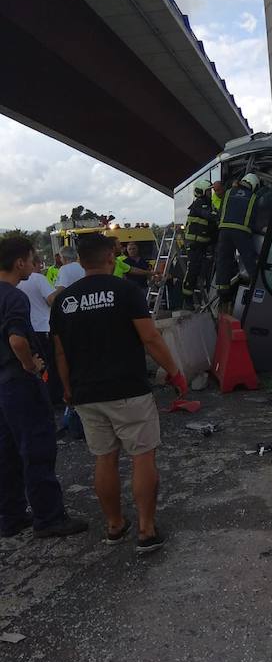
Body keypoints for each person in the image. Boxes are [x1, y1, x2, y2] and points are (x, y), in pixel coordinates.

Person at [51, 234, 188, 554]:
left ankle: (114, 525)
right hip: (128, 390)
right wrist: (175, 373)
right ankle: (146, 530)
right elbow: (151, 338)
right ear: (111, 257)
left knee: (104, 458)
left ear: (81, 262)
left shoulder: (64, 301)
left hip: (86, 393)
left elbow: (59, 353)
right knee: (142, 457)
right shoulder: (125, 291)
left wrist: (68, 389)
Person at [0, 235, 88, 539]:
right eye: (31, 256)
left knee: (7, 451)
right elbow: (17, 339)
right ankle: (48, 518)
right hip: (18, 383)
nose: (35, 261)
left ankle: (10, 517)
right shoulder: (14, 297)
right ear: (19, 262)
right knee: (36, 447)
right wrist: (30, 365)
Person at [17, 254, 62, 404]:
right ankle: (53, 397)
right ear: (35, 264)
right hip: (44, 327)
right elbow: (51, 300)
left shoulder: (15, 282)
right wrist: (61, 291)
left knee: (34, 366)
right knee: (50, 364)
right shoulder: (38, 279)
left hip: (26, 330)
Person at [215, 174, 260, 310]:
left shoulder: (228, 192)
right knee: (249, 259)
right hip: (241, 232)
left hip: (224, 231)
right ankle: (256, 287)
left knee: (223, 261)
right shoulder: (253, 197)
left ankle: (223, 295)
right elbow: (255, 218)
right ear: (254, 185)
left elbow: (221, 210)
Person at [182, 180, 218, 309]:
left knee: (203, 270)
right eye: (208, 190)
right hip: (195, 244)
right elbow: (209, 216)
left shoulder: (208, 203)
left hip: (202, 244)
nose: (210, 192)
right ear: (201, 192)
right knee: (193, 270)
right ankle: (187, 300)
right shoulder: (199, 204)